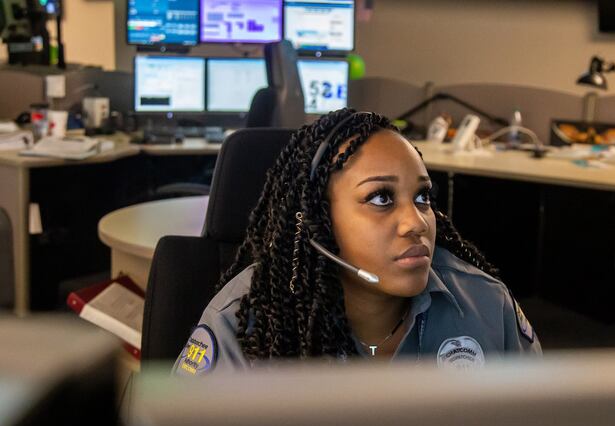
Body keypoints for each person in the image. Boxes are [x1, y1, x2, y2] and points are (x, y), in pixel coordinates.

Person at [173, 109, 540, 376]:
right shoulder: (246, 324)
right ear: (319, 223)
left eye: (422, 197)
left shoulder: (487, 304)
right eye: (380, 198)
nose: (415, 223)